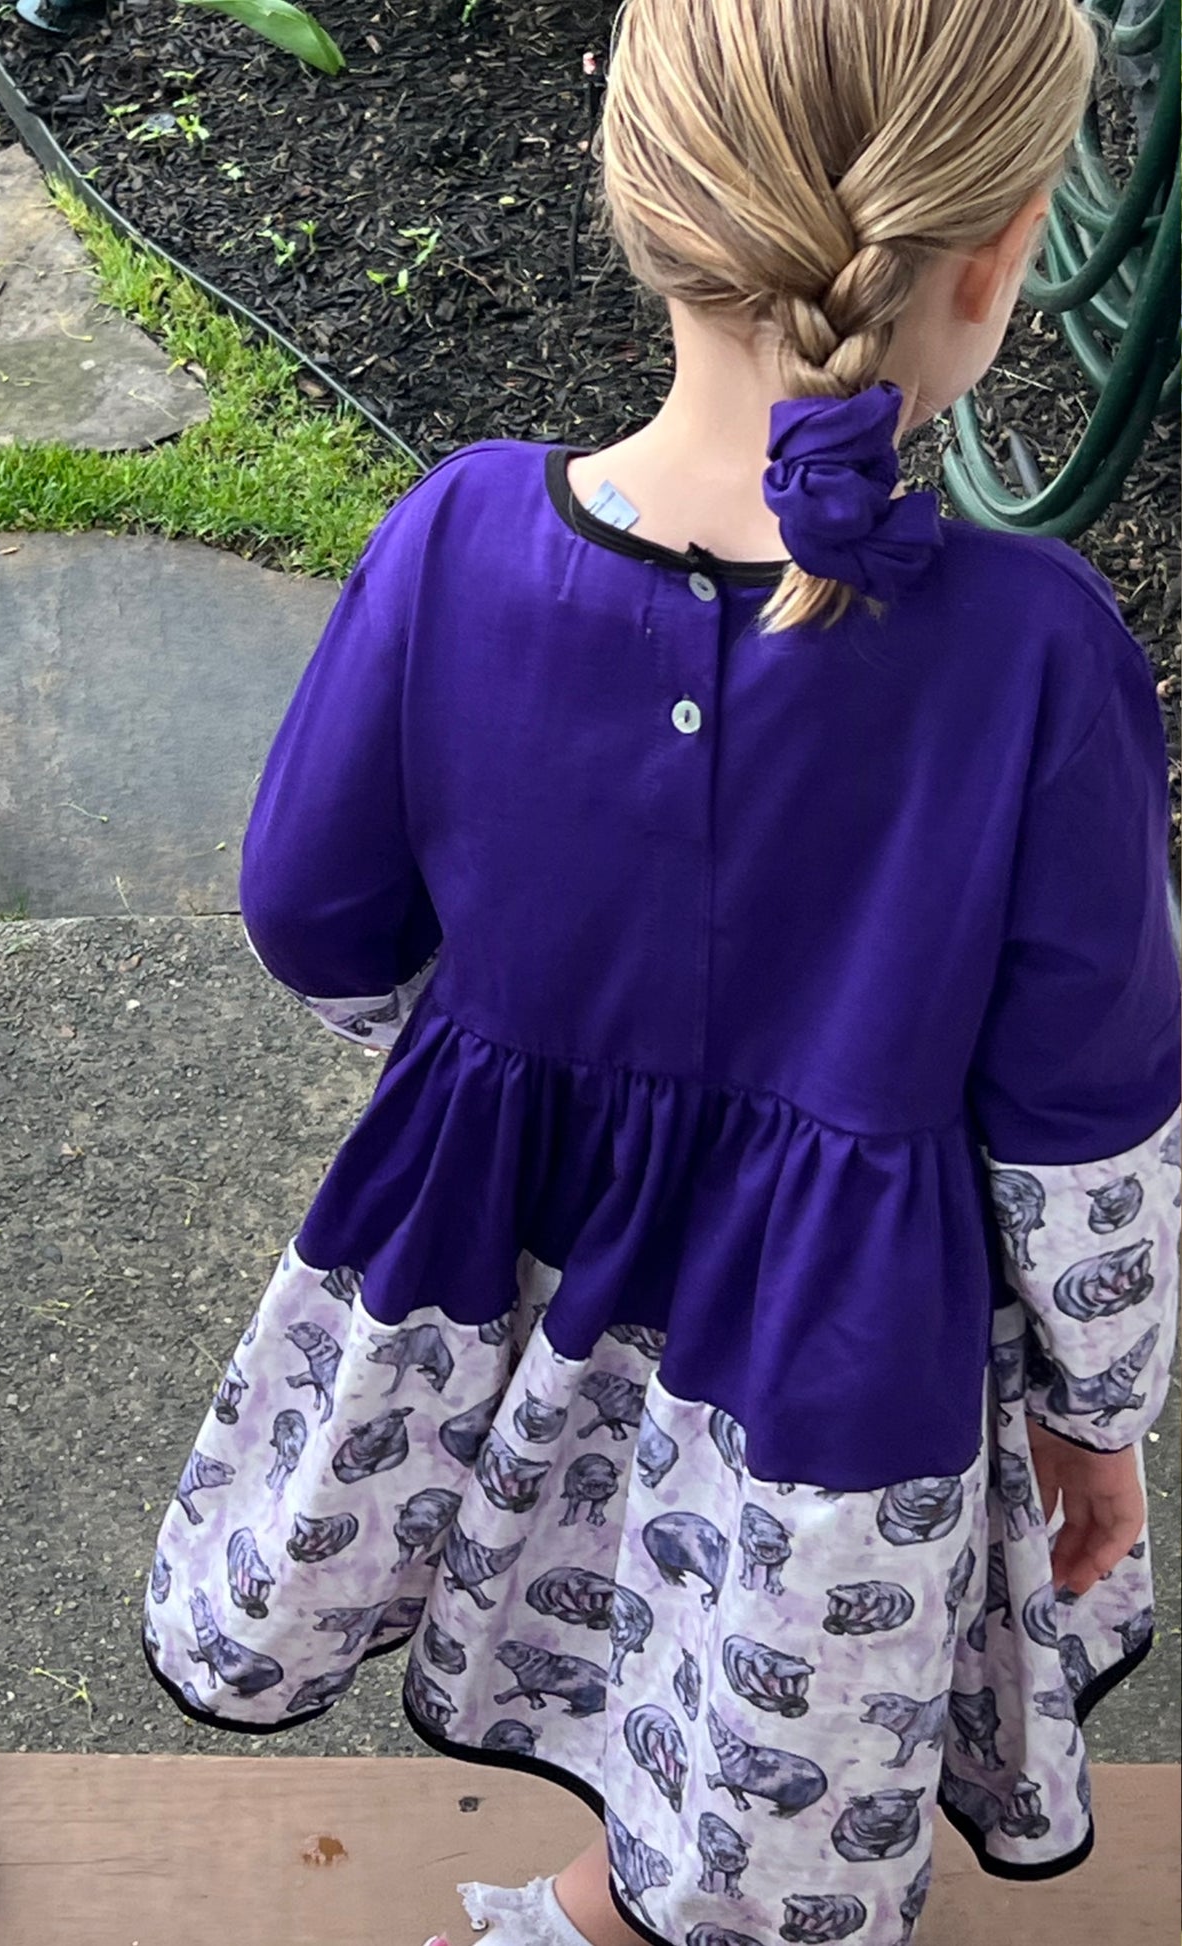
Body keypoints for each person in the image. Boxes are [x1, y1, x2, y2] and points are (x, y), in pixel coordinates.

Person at [141, 2, 1179, 1941]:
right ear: (1003, 249)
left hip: (507, 1268)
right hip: (840, 1350)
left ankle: (607, 1905)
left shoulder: (459, 537)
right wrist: (1091, 1412)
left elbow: (310, 906)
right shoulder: (1034, 652)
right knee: (761, 1659)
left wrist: (485, 1069)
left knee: (591, 1586)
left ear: (636, 178)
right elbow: (1082, 1119)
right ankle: (645, 1903)